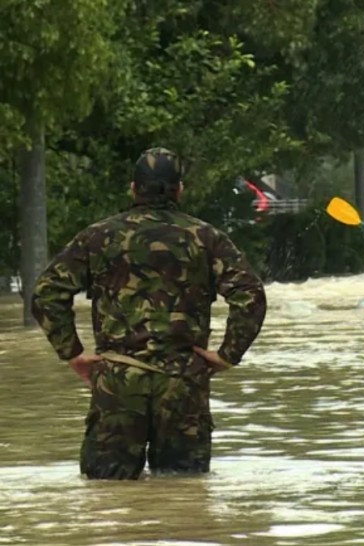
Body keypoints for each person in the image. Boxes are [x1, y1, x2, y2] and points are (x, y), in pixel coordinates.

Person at [31, 147, 267, 480]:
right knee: (185, 496)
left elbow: (46, 294)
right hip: (183, 385)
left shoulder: (98, 238)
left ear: (133, 188)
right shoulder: (206, 239)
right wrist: (227, 355)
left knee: (105, 498)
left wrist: (73, 353)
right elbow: (251, 296)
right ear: (180, 190)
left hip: (117, 382)